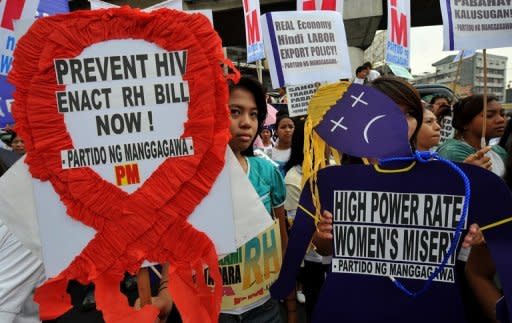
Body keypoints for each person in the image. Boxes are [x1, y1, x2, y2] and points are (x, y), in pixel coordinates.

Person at [221, 76, 291, 323]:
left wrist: (287, 293)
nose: (246, 123)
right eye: (235, 111)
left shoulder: (266, 171)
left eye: (253, 115)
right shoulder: (189, 181)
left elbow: (281, 235)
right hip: (212, 310)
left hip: (264, 307)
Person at [437, 95, 507, 177]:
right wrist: (471, 172)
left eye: (502, 114)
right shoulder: (451, 152)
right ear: (465, 123)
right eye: (489, 116)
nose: (501, 120)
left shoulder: (499, 151)